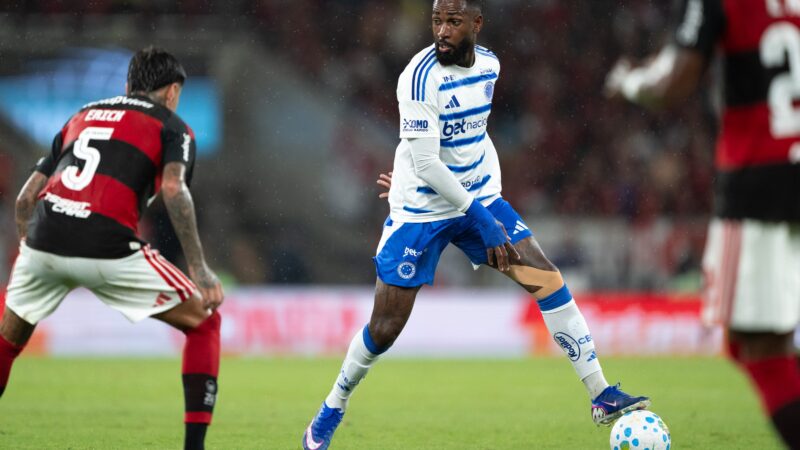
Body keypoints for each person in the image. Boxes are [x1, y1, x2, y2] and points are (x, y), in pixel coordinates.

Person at [302, 1, 649, 448]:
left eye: (453, 21)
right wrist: (459, 205)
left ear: (476, 25)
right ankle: (335, 403)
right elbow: (426, 162)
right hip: (420, 214)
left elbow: (475, 133)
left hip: (477, 197)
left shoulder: (490, 66)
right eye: (436, 21)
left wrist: (487, 201)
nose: (442, 31)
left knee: (547, 279)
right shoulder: (418, 77)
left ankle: (600, 393)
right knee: (386, 328)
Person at [0, 46, 224, 450]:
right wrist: (200, 269)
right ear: (172, 91)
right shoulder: (173, 126)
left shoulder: (81, 115)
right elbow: (174, 190)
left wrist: (30, 249)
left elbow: (23, 200)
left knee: (7, 342)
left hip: (43, 241)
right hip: (107, 245)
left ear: (127, 85)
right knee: (205, 322)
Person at [604, 0, 800, 447]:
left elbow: (672, 82)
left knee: (754, 346)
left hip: (760, 184)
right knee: (768, 342)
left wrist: (628, 81)